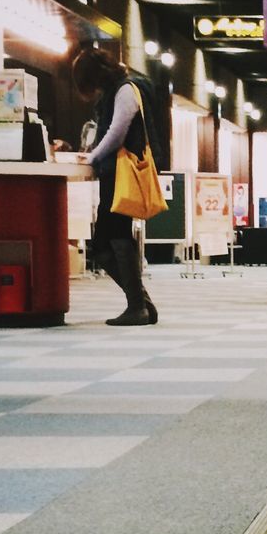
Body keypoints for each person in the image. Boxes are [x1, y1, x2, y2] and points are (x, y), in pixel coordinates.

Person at [71, 48, 167, 326]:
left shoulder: (125, 89)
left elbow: (117, 131)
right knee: (112, 236)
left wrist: (92, 156)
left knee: (109, 239)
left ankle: (138, 305)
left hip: (119, 172)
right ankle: (141, 303)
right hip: (116, 172)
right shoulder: (130, 84)